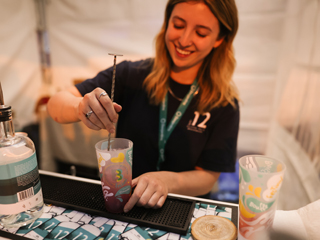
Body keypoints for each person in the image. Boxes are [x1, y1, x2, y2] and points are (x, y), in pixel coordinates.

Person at [47, 0, 240, 213]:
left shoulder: (224, 103)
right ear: (166, 24)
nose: (184, 40)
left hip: (183, 209)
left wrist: (167, 181)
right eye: (178, 25)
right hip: (122, 201)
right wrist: (78, 107)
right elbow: (55, 105)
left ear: (220, 39)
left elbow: (207, 177)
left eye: (201, 33)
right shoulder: (131, 75)